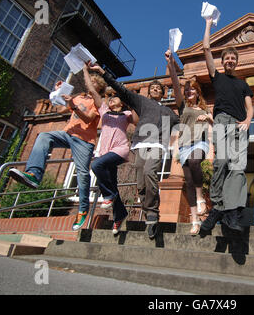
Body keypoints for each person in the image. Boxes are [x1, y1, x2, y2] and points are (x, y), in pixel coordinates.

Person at [87, 63, 180, 239]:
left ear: (163, 92)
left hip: (157, 145)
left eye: (157, 88)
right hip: (139, 145)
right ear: (149, 92)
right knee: (141, 183)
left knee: (149, 172)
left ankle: (152, 212)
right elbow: (122, 90)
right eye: (152, 88)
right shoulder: (142, 102)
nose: (154, 90)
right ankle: (149, 216)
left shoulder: (169, 112)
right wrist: (103, 73)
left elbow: (183, 121)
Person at [9, 72, 105, 231]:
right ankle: (34, 175)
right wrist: (58, 93)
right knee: (44, 136)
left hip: (84, 141)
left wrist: (73, 105)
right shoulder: (79, 97)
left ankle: (82, 210)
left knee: (82, 173)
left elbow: (88, 119)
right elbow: (60, 110)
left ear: (98, 88)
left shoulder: (97, 102)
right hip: (67, 134)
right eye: (91, 81)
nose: (90, 84)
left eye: (94, 83)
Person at [200, 17, 254, 233]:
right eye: (227, 58)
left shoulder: (242, 84)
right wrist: (208, 24)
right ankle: (217, 208)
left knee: (237, 168)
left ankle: (230, 213)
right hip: (222, 121)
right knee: (221, 163)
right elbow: (206, 48)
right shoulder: (217, 77)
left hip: (239, 125)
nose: (230, 60)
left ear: (237, 61)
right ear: (223, 62)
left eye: (233, 58)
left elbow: (250, 108)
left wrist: (249, 120)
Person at [165, 49, 213, 235]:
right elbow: (176, 85)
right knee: (190, 183)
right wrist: (171, 64)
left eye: (192, 88)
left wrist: (208, 119)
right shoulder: (182, 106)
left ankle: (201, 199)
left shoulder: (205, 108)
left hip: (200, 143)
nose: (188, 91)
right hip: (184, 145)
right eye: (187, 90)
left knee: (195, 162)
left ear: (197, 91)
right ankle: (195, 221)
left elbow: (214, 123)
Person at [83, 64, 134, 235]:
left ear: (122, 101)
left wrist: (130, 100)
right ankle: (119, 214)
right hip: (105, 152)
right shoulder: (104, 110)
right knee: (112, 185)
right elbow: (93, 91)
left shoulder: (127, 115)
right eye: (110, 96)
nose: (111, 98)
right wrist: (86, 71)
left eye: (115, 97)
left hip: (120, 149)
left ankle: (109, 196)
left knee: (96, 166)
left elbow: (138, 117)